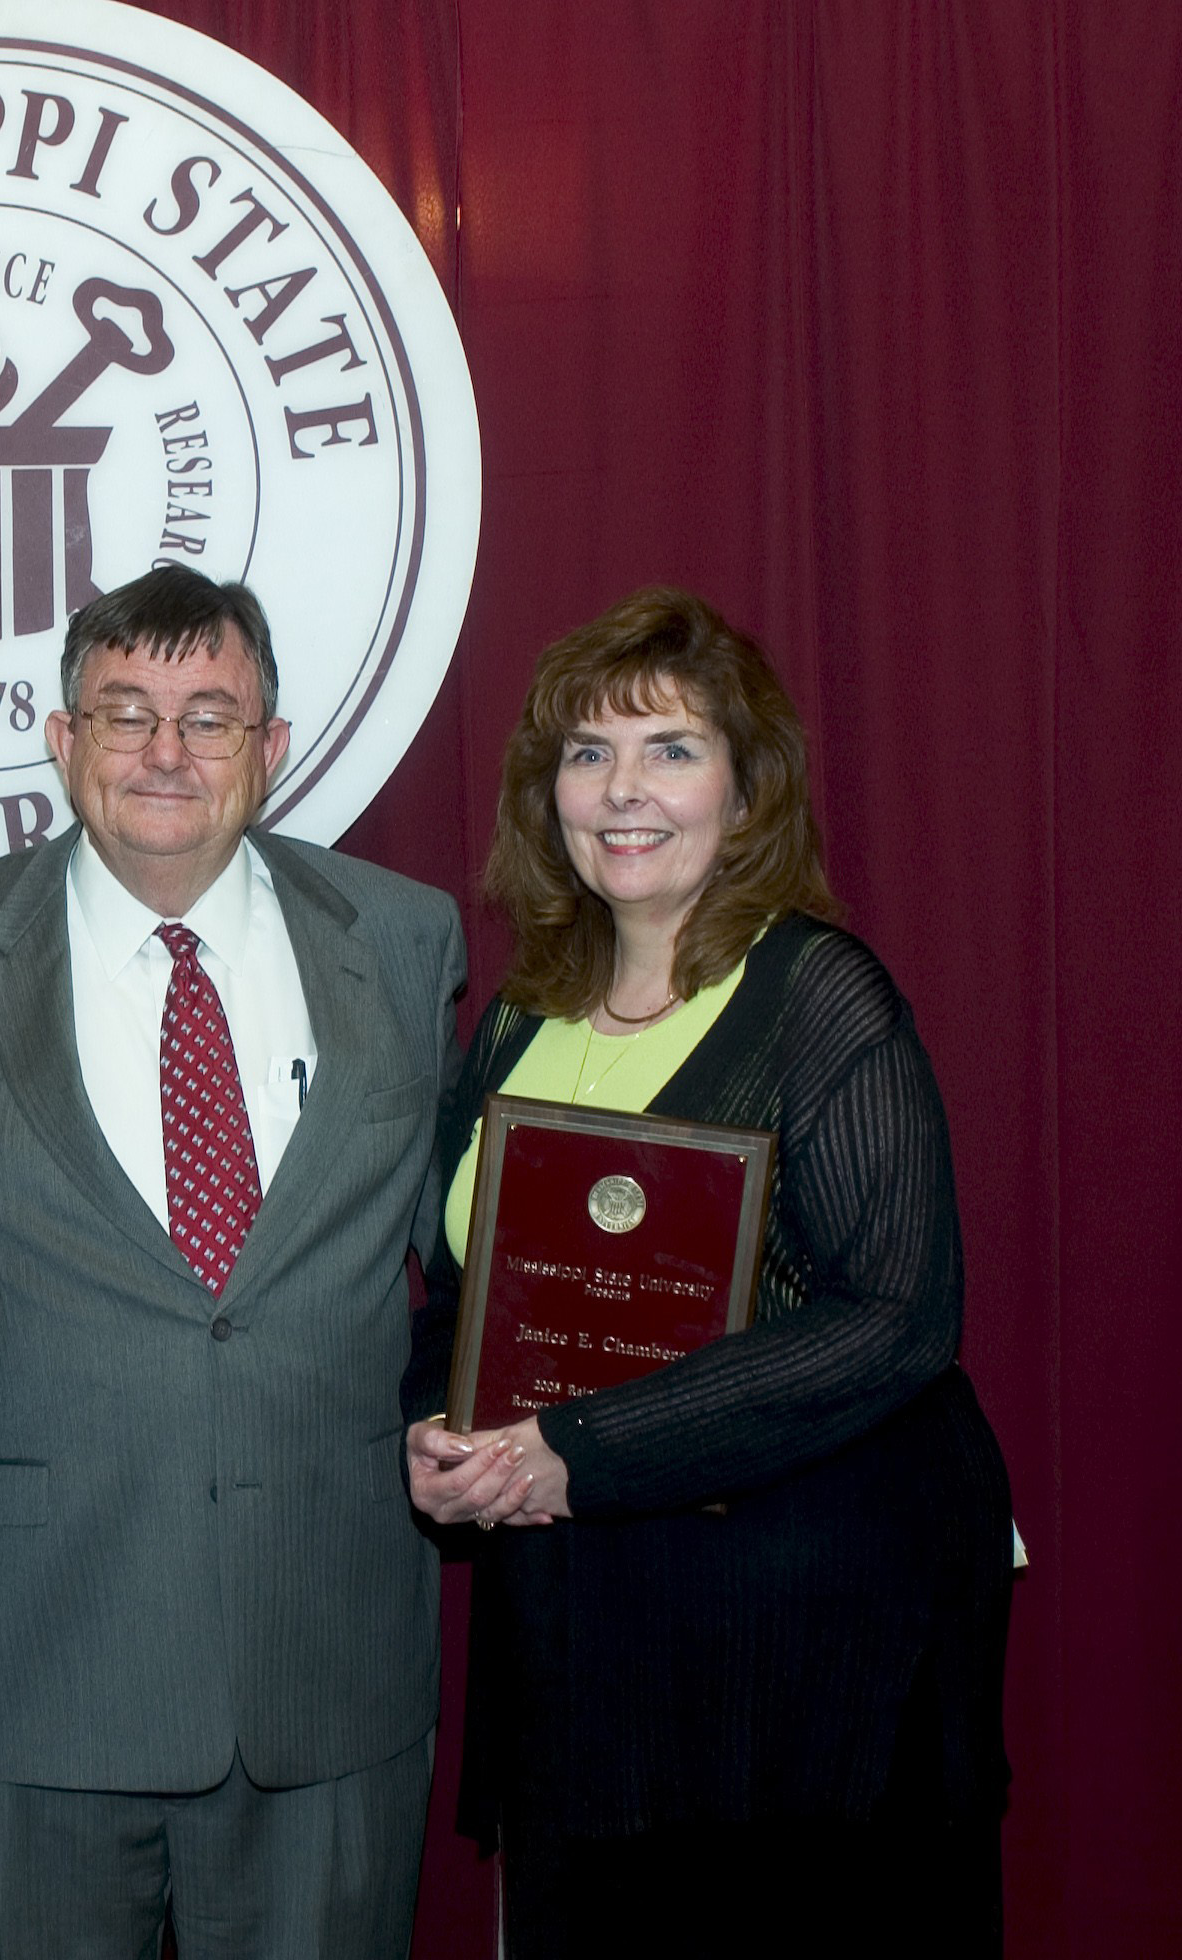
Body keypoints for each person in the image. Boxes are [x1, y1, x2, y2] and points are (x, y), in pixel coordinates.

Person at [405, 588, 1013, 1958]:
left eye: (671, 749)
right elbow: (455, 1295)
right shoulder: (518, 1017)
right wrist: (432, 1431)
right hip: (582, 1667)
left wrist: (580, 1444)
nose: (623, 789)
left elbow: (897, 1318)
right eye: (586, 752)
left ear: (746, 794)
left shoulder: (817, 997)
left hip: (807, 1671)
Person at [0, 564, 464, 1959]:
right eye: (125, 710)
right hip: (38, 1659)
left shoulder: (403, 938)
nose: (164, 751)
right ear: (59, 735)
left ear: (272, 749)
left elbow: (452, 1254)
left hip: (327, 1654)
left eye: (211, 716)